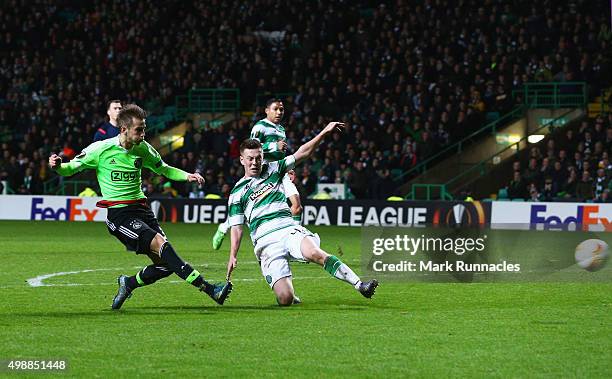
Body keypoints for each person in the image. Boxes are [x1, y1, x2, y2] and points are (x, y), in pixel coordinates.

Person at [49, 104, 232, 309]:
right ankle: (209, 289)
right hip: (120, 215)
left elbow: (163, 168)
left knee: (166, 265)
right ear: (124, 129)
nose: (143, 134)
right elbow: (70, 168)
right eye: (139, 130)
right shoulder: (100, 149)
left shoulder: (143, 149)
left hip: (143, 211)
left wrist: (186, 175)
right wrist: (58, 167)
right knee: (163, 247)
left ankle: (128, 283)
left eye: (144, 129)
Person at [225, 122, 378, 306]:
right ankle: (289, 294)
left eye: (258, 158)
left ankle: (360, 284)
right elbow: (236, 228)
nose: (255, 162)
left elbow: (303, 153)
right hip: (265, 244)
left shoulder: (275, 168)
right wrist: (233, 255)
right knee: (285, 299)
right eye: (250, 158)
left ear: (263, 156)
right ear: (242, 159)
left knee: (315, 253)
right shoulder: (237, 192)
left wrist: (323, 132)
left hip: (288, 230)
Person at [211, 98, 302, 249]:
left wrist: (287, 168)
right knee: (251, 209)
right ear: (267, 110)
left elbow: (278, 155)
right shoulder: (260, 126)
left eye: (281, 109)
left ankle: (294, 242)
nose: (279, 112)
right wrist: (274, 146)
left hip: (279, 172)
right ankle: (224, 227)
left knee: (297, 206)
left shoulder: (281, 129)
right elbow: (251, 148)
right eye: (275, 109)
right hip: (263, 173)